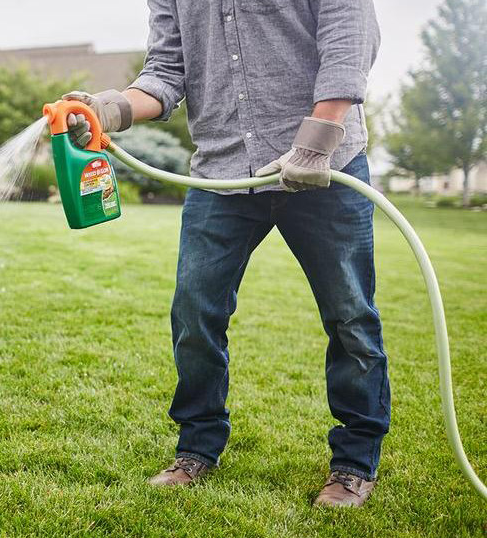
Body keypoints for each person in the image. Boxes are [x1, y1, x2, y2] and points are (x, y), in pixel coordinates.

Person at [64, 1, 387, 507]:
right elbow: (166, 73)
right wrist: (109, 109)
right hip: (222, 172)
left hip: (324, 166)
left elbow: (349, 34)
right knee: (194, 312)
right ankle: (197, 448)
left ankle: (354, 462)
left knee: (350, 316)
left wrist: (319, 137)